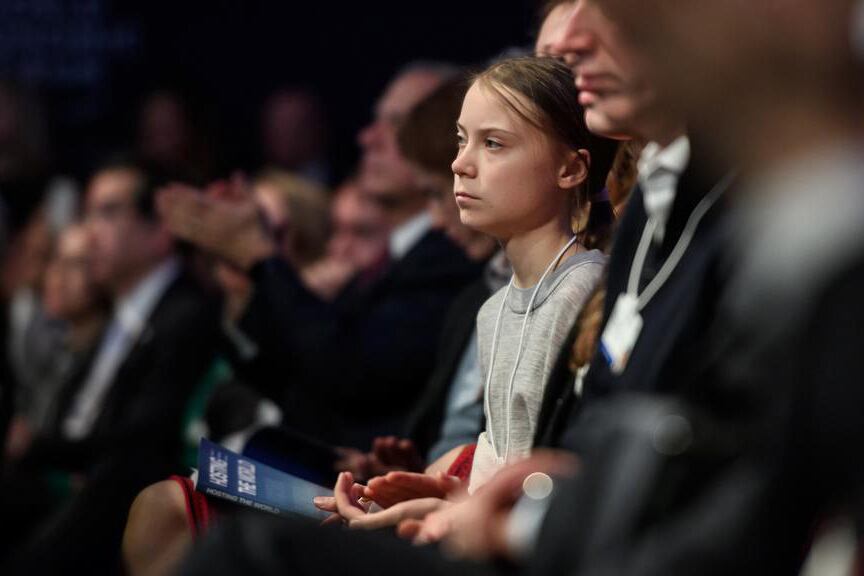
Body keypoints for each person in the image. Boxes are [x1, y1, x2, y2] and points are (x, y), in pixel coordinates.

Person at [158, 64, 481, 450]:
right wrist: (248, 284)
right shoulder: (387, 261)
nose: (367, 137)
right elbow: (294, 379)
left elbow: (348, 374)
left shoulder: (452, 255)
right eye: (375, 120)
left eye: (396, 123)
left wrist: (261, 256)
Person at [0, 159, 219, 574]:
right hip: (67, 481)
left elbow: (141, 443)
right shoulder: (113, 311)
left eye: (108, 211)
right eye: (87, 212)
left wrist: (37, 446)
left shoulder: (185, 315)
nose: (88, 231)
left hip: (114, 497)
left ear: (160, 231)